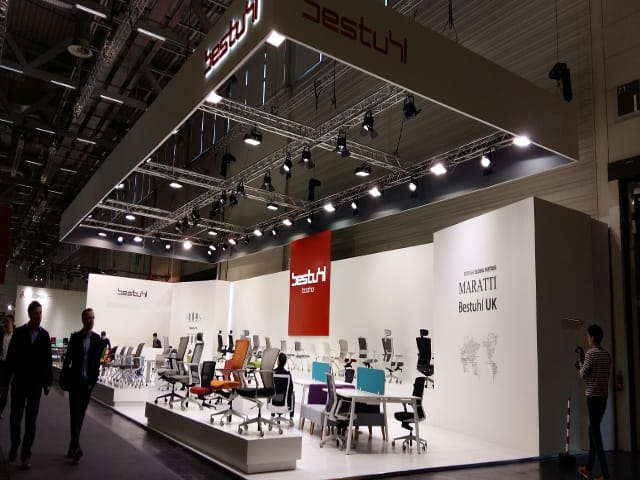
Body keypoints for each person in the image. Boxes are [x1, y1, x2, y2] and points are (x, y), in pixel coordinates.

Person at [6, 300, 52, 470]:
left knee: (31, 420)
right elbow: (10, 358)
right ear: (29, 314)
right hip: (19, 382)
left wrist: (47, 383)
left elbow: (47, 361)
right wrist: (4, 382)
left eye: (40, 313)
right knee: (15, 417)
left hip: (35, 385)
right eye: (36, 313)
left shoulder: (44, 335)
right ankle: (15, 443)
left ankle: (26, 454)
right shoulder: (19, 333)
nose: (39, 316)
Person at [62, 307, 103, 463]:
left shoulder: (97, 340)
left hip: (87, 384)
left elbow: (97, 364)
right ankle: (76, 447)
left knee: (80, 416)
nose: (91, 321)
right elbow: (68, 360)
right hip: (75, 382)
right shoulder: (76, 337)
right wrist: (64, 379)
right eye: (88, 318)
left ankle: (72, 446)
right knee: (74, 414)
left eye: (93, 318)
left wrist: (93, 382)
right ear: (83, 320)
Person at [577, 324, 611, 480]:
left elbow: (583, 375)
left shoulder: (590, 353)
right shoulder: (606, 354)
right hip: (603, 398)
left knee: (595, 434)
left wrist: (580, 363)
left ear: (592, 337)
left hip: (592, 397)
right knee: (592, 430)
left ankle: (605, 474)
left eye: (588, 336)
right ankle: (589, 468)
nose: (587, 339)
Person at [273, 352, 295, 424]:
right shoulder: (287, 374)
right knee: (293, 394)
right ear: (285, 363)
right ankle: (291, 417)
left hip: (274, 401)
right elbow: (291, 388)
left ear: (278, 361)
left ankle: (272, 415)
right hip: (284, 402)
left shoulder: (273, 372)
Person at [0, 314, 15, 418]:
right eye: (5, 322)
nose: (6, 324)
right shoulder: (1, 335)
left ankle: (0, 410)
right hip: (0, 364)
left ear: (12, 323)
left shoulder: (15, 338)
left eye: (8, 322)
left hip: (8, 367)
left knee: (4, 392)